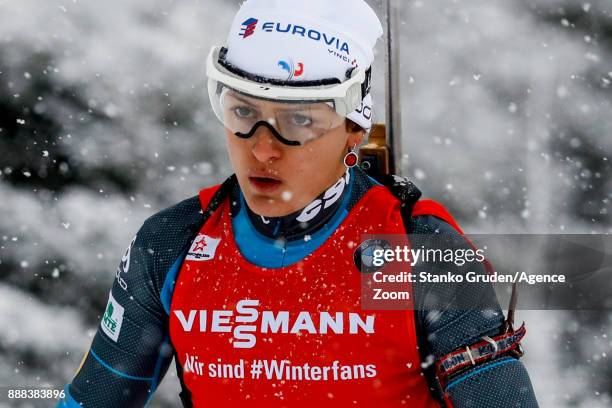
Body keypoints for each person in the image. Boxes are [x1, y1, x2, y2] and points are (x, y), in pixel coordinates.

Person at [57, 0, 538, 406]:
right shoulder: (171, 244)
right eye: (243, 112)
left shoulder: (418, 252)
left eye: (299, 122)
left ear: (354, 127)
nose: (262, 148)